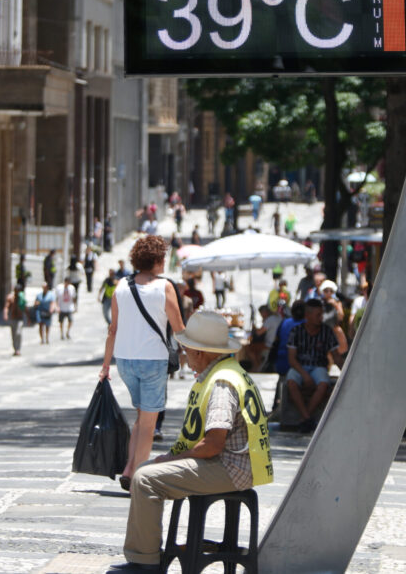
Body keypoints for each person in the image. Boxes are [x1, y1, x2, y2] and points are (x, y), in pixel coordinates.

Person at [108, 310, 273, 573]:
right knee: (145, 471)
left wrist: (172, 459)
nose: (184, 357)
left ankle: (145, 562)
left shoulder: (221, 382)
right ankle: (143, 555)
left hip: (230, 467)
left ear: (200, 352)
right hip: (236, 464)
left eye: (186, 350)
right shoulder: (228, 371)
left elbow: (213, 444)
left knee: (147, 478)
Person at [99, 235, 186, 492]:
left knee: (140, 417)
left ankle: (128, 468)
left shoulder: (121, 287)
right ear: (158, 260)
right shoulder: (165, 287)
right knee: (148, 423)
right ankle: (139, 478)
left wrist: (105, 365)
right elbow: (179, 329)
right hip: (152, 361)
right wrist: (195, 357)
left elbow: (112, 330)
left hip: (125, 361)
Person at [286, 298, 348, 433]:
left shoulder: (327, 331)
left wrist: (347, 372)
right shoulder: (296, 331)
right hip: (299, 366)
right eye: (318, 315)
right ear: (307, 316)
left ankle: (305, 417)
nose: (321, 318)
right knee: (291, 382)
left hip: (318, 366)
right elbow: (292, 359)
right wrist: (305, 375)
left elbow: (336, 357)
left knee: (323, 384)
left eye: (321, 314)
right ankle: (307, 418)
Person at [243, 304, 280, 371]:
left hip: (269, 344)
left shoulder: (270, 320)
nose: (261, 316)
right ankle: (259, 365)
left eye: (261, 314)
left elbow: (259, 332)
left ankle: (256, 366)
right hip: (275, 343)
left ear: (264, 312)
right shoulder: (277, 317)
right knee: (256, 348)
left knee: (247, 347)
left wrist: (255, 329)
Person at [3, 284, 26, 356]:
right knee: (13, 334)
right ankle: (15, 348)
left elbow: (25, 308)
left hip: (20, 319)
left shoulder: (22, 298)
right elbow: (6, 307)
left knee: (18, 333)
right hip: (13, 318)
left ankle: (18, 349)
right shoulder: (10, 297)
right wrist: (5, 314)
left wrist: (28, 317)